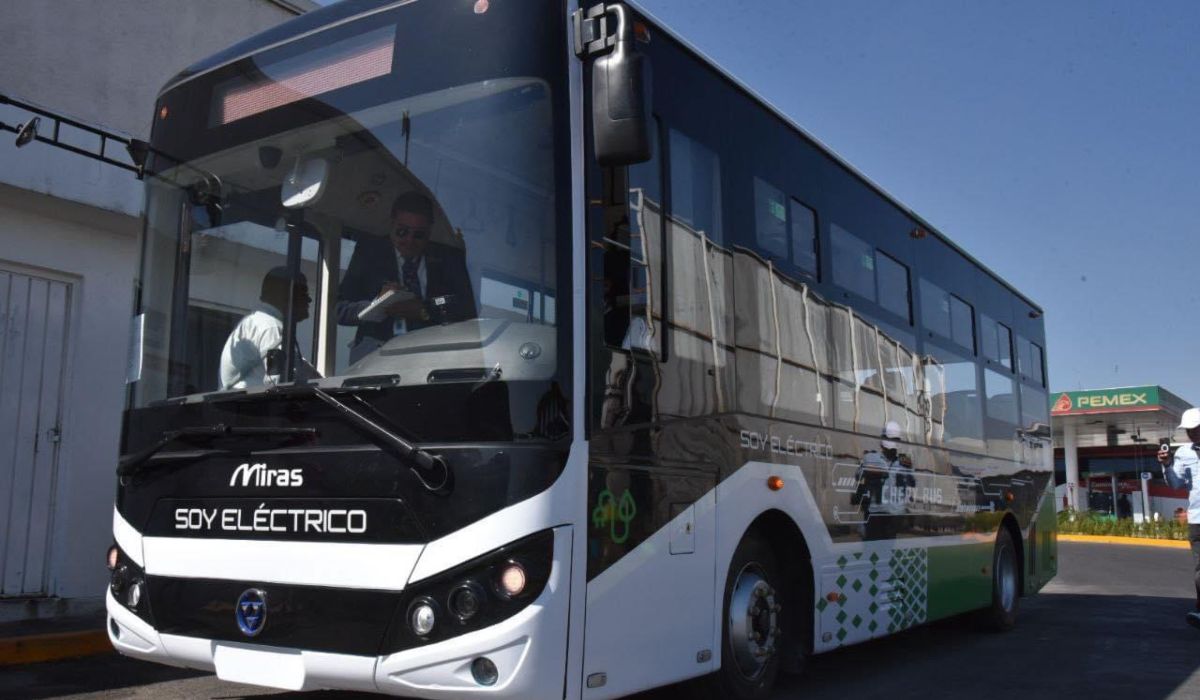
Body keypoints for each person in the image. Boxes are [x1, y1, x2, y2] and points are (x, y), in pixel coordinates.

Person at [336, 191, 475, 363]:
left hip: (430, 360)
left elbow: (466, 309)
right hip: (374, 360)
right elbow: (340, 309)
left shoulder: (448, 259)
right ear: (391, 224)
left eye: (419, 235)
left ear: (429, 232)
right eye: (402, 232)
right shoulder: (368, 253)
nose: (409, 241)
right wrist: (375, 305)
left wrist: (425, 310)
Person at [219, 266, 316, 389]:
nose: (309, 299)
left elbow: (295, 367)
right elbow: (280, 382)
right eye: (303, 292)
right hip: (255, 401)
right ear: (285, 295)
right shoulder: (271, 328)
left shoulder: (257, 322)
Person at [1159, 407, 1200, 630]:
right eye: (1189, 430)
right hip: (1197, 520)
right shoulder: (1184, 453)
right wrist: (1166, 465)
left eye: (1195, 429)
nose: (1192, 434)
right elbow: (1175, 484)